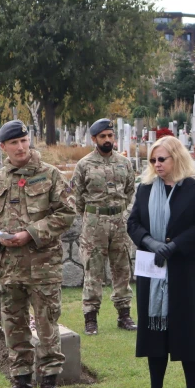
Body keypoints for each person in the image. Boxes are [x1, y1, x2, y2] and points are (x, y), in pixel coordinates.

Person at [0, 120, 75, 388]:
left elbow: (66, 213)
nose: (20, 147)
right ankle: (20, 383)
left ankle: (48, 384)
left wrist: (29, 233)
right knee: (13, 326)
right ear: (3, 147)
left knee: (46, 326)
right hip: (8, 268)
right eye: (14, 143)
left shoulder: (50, 175)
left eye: (24, 140)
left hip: (42, 267)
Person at [127, 136, 195, 388]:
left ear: (176, 157)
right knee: (153, 330)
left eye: (161, 159)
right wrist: (152, 243)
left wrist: (173, 247)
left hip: (185, 269)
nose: (156, 164)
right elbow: (134, 223)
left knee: (188, 328)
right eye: (153, 160)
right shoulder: (146, 189)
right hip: (153, 270)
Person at [71, 118, 136, 335]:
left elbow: (130, 191)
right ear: (94, 139)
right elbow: (77, 197)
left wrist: (124, 214)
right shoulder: (84, 165)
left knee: (122, 269)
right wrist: (90, 217)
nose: (107, 140)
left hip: (119, 222)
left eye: (110, 136)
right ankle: (91, 318)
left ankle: (124, 315)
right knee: (93, 270)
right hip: (94, 224)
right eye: (103, 137)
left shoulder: (124, 163)